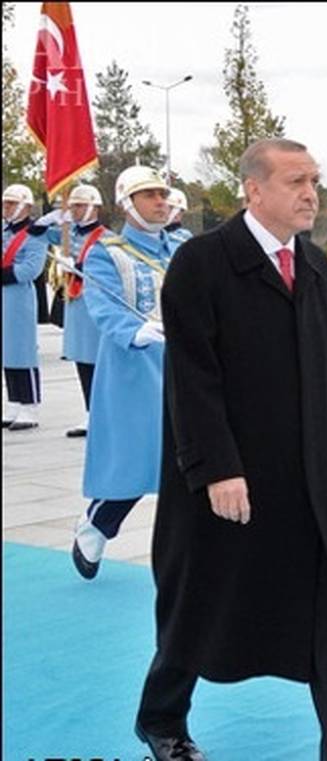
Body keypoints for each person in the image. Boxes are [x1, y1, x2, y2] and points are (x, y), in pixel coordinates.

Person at [135, 139, 327, 759]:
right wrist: (217, 468)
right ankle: (162, 718)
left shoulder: (315, 265)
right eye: (296, 181)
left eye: (314, 180)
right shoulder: (203, 263)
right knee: (200, 604)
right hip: (229, 479)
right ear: (253, 189)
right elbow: (192, 378)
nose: (311, 194)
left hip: (309, 481)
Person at [70, 167, 180, 579]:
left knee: (193, 456)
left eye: (162, 194)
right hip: (135, 365)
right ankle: (97, 524)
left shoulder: (183, 248)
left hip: (187, 363)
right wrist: (134, 331)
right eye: (148, 195)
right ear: (126, 204)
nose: (160, 201)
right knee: (138, 458)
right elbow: (103, 305)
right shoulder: (106, 252)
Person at [44, 184, 107, 437]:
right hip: (76, 304)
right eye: (72, 206)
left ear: (94, 207)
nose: (75, 211)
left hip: (95, 304)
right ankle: (89, 412)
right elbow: (34, 234)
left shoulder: (105, 238)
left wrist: (78, 266)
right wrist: (48, 219)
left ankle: (100, 412)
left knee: (97, 361)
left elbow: (105, 271)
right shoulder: (66, 234)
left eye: (80, 206)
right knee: (82, 359)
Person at [2, 183, 50, 431]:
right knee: (6, 350)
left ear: (25, 206)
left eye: (11, 203)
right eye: (5, 203)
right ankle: (14, 401)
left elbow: (31, 269)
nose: (6, 208)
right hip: (4, 294)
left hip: (19, 295)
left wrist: (5, 274)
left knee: (22, 349)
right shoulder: (4, 230)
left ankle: (30, 404)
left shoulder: (35, 233)